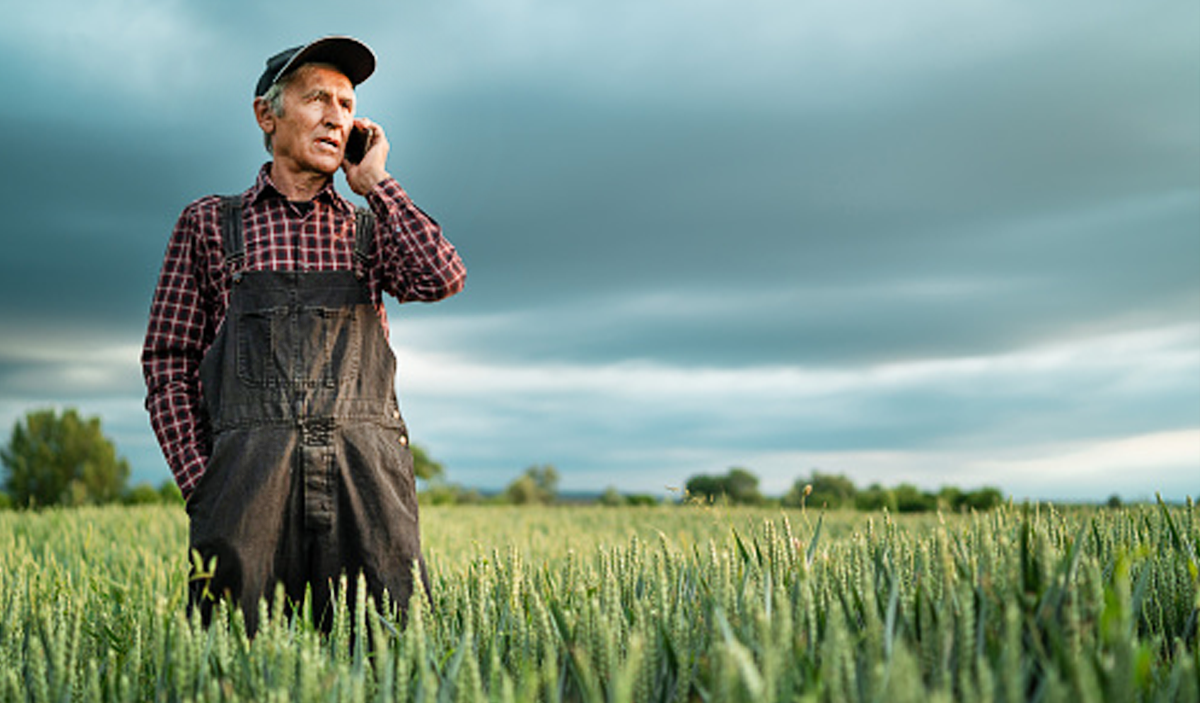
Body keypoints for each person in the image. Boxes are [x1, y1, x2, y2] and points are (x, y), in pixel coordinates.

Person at [141, 36, 465, 634]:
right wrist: (205, 484)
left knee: (387, 654)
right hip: (247, 490)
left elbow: (442, 277)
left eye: (347, 104)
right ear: (267, 115)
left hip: (365, 483)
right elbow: (169, 362)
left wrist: (378, 183)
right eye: (318, 98)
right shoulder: (209, 223)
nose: (336, 117)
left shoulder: (370, 227)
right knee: (231, 658)